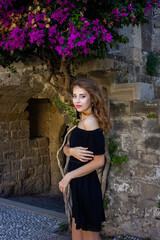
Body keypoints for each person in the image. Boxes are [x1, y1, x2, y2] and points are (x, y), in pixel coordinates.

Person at [59, 78, 112, 240]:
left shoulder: (90, 123)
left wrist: (68, 176)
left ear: (92, 98)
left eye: (82, 96)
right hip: (79, 185)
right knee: (77, 234)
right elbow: (66, 147)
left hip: (86, 186)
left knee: (88, 235)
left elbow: (99, 161)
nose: (77, 100)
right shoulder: (82, 119)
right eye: (75, 96)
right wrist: (71, 151)